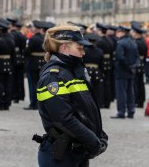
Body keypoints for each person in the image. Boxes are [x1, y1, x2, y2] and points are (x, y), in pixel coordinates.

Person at [35, 25, 108, 166]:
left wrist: (99, 133)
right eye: (79, 48)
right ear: (64, 48)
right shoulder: (53, 77)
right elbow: (62, 118)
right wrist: (92, 140)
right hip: (61, 155)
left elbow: (87, 109)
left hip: (77, 150)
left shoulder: (74, 71)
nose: (83, 53)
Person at [111, 25, 139, 119]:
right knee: (130, 92)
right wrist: (132, 67)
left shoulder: (120, 43)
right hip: (131, 71)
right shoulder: (133, 42)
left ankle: (121, 112)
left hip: (122, 71)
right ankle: (131, 111)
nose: (117, 34)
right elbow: (137, 58)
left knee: (121, 92)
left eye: (118, 32)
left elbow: (120, 57)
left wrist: (127, 67)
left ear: (122, 32)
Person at [0, 21, 15, 110]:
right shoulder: (11, 40)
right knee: (8, 85)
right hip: (8, 64)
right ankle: (7, 103)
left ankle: (0, 103)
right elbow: (13, 55)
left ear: (0, 30)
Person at [24, 20, 46, 110]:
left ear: (35, 28)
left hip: (33, 63)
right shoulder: (44, 38)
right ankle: (40, 103)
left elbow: (27, 51)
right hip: (42, 63)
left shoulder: (32, 39)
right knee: (41, 84)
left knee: (32, 85)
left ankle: (33, 103)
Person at [8, 17, 27, 103]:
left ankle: (14, 95)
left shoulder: (11, 35)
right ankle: (21, 95)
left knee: (13, 78)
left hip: (14, 59)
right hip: (21, 59)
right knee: (20, 78)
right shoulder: (22, 36)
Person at [83, 33, 105, 107]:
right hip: (96, 71)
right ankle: (97, 103)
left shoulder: (85, 51)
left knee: (87, 88)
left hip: (87, 71)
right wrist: (101, 72)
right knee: (97, 89)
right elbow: (101, 64)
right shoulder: (100, 51)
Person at [130, 21, 148, 108]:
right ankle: (141, 101)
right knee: (141, 83)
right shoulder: (143, 42)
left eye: (133, 32)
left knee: (135, 83)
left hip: (136, 64)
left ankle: (136, 100)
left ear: (136, 33)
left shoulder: (135, 43)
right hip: (142, 64)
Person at [96, 23, 113, 108]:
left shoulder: (99, 41)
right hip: (109, 63)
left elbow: (99, 54)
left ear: (100, 31)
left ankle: (102, 102)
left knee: (102, 84)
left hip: (102, 64)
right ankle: (108, 102)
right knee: (107, 83)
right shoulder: (109, 40)